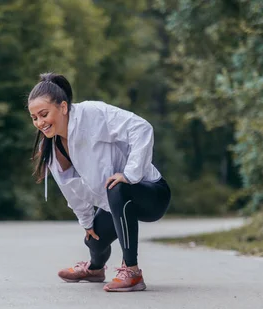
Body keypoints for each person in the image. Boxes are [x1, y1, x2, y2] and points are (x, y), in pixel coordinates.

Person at [28, 73, 171, 292]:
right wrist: (86, 222)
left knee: (117, 187)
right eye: (34, 118)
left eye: (44, 114)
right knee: (93, 240)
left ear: (63, 107)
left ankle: (132, 272)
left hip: (151, 194)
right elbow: (71, 190)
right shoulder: (51, 148)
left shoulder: (91, 114)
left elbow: (141, 128)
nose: (40, 123)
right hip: (113, 202)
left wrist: (130, 174)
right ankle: (95, 269)